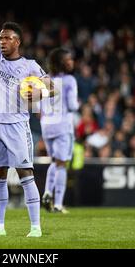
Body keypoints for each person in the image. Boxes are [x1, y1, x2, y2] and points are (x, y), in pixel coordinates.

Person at [0, 0, 55, 238]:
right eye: (1, 38)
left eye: (7, 38)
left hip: (18, 125)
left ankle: (36, 228)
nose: (2, 41)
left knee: (25, 174)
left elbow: (53, 87)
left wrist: (40, 91)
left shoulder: (30, 66)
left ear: (18, 41)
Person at [40, 48, 79, 213]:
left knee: (54, 161)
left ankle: (47, 193)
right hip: (63, 125)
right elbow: (71, 105)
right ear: (62, 62)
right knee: (61, 164)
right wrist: (79, 105)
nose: (72, 62)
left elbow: (37, 105)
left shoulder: (45, 79)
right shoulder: (70, 80)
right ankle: (58, 204)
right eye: (68, 59)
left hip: (46, 125)